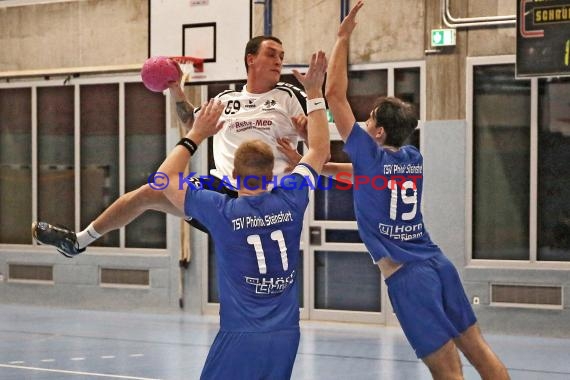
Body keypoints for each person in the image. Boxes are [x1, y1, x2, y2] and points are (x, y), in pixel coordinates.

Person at [323, 2, 510, 379]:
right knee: (478, 351)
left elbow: (335, 96)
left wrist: (343, 37)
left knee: (447, 372)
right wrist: (320, 166)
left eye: (369, 119)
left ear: (376, 134)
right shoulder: (412, 157)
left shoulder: (372, 157)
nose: (363, 122)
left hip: (410, 277)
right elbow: (364, 177)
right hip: (439, 265)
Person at [32, 35, 308, 257]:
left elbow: (319, 142)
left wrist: (304, 154)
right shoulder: (225, 99)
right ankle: (77, 242)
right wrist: (176, 90)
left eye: (281, 57)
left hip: (266, 197)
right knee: (148, 192)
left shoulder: (290, 96)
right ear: (251, 59)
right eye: (271, 54)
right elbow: (191, 122)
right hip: (221, 193)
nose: (278, 61)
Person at [152, 51, 329, 379]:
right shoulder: (292, 197)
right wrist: (316, 93)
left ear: (233, 171)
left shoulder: (222, 210)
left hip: (240, 335)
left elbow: (161, 180)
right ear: (271, 171)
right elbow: (320, 150)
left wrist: (195, 136)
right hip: (286, 334)